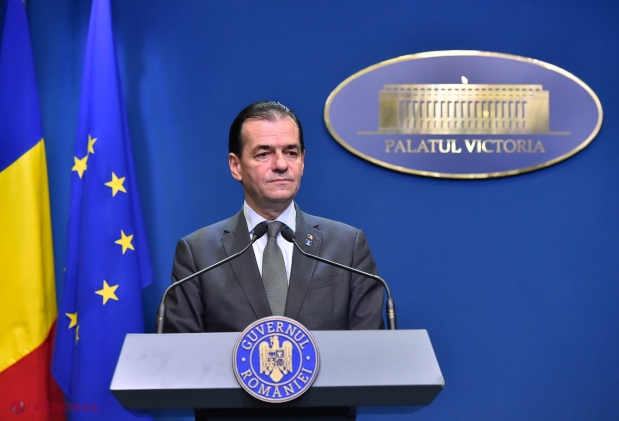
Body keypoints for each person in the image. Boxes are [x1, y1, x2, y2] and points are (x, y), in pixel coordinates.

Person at [164, 101, 384, 333]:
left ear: (302, 161)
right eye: (264, 154)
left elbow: (369, 346)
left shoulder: (347, 247)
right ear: (236, 165)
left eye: (291, 153)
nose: (281, 164)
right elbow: (181, 350)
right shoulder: (198, 255)